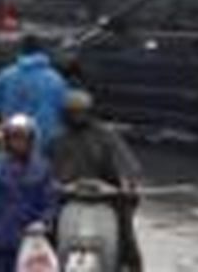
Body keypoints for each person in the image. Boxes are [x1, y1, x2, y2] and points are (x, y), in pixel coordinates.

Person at [48, 90, 142, 271]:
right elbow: (43, 168)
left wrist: (127, 183)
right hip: (66, 200)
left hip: (107, 200)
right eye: (72, 112)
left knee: (127, 240)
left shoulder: (106, 136)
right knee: (46, 235)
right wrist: (51, 185)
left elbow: (125, 162)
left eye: (81, 112)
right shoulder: (57, 139)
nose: (77, 117)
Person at [0, 114, 57, 272]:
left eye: (23, 138)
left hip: (30, 241)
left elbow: (50, 201)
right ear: (7, 140)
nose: (18, 143)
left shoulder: (43, 168)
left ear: (31, 140)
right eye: (14, 138)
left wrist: (44, 221)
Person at [0, 35, 68, 147]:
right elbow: (65, 111)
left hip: (14, 145)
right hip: (48, 147)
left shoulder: (8, 75)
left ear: (21, 52)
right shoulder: (57, 80)